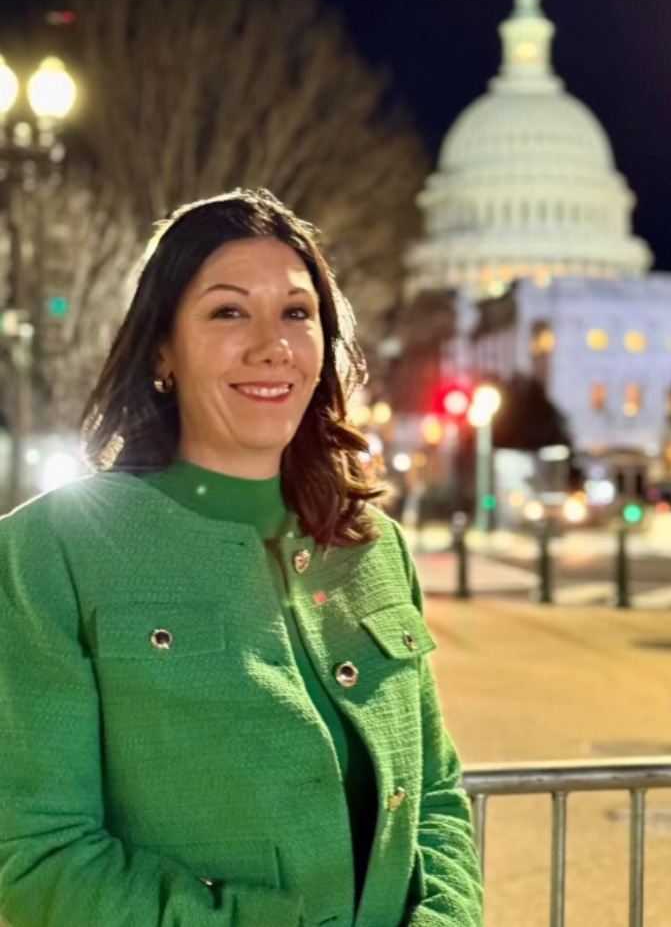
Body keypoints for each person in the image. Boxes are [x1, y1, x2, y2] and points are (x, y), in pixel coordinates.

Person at [0, 188, 483, 927]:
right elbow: (38, 856)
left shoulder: (370, 547)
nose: (273, 346)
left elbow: (438, 797)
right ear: (162, 347)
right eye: (229, 311)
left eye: (297, 313)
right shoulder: (52, 554)